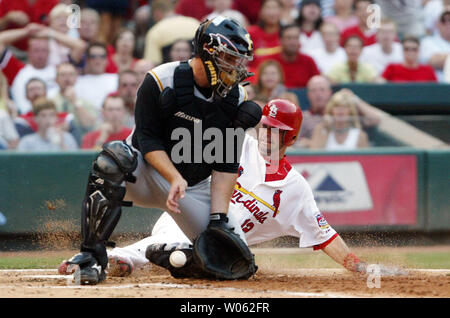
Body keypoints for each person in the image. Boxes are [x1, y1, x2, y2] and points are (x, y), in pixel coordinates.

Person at [58, 16, 262, 285]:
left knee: (234, 263)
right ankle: (91, 256)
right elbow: (147, 137)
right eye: (230, 57)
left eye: (239, 59)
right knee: (112, 159)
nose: (236, 67)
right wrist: (174, 177)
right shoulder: (160, 79)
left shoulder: (238, 98)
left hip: (195, 186)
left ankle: (172, 255)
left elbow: (225, 164)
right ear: (208, 51)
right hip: (146, 170)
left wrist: (218, 218)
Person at [102, 99, 374, 278]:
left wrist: (356, 265)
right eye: (265, 127)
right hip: (187, 218)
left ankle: (174, 258)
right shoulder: (238, 143)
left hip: (223, 250)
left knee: (198, 261)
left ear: (290, 137)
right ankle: (113, 257)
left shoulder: (296, 189)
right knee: (184, 240)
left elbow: (324, 234)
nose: (267, 134)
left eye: (276, 130)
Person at [296, 75, 380, 148]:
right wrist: (312, 142)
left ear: (330, 92)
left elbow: (374, 119)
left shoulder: (346, 116)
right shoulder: (303, 118)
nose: (318, 94)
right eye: (313, 90)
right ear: (308, 94)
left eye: (322, 90)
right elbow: (296, 143)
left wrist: (354, 98)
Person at [143, 0, 199, 66]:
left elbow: (152, 62)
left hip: (169, 73)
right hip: (196, 71)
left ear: (157, 13)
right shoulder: (194, 23)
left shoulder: (156, 31)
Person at [51, 62, 97, 142]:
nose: (67, 78)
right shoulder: (50, 103)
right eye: (63, 75)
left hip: (80, 147)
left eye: (71, 74)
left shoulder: (85, 103)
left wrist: (75, 102)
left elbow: (90, 126)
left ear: (76, 78)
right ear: (56, 79)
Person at [264, 24, 320, 88]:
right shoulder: (270, 61)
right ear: (280, 40)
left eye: (295, 38)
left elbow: (318, 83)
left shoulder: (308, 61)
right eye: (288, 38)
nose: (292, 42)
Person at [74, 43, 118, 110]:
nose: (98, 60)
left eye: (102, 56)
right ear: (87, 60)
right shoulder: (77, 81)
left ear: (107, 60)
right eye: (93, 56)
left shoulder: (116, 79)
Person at [247, 0, 283, 70]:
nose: (272, 12)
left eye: (275, 8)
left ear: (281, 11)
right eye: (268, 8)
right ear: (261, 12)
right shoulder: (250, 33)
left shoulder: (288, 34)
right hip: (255, 77)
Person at [420, 10, 450, 81]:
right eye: (443, 20)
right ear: (437, 24)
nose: (448, 24)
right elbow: (432, 62)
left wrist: (442, 57)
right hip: (436, 88)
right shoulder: (427, 42)